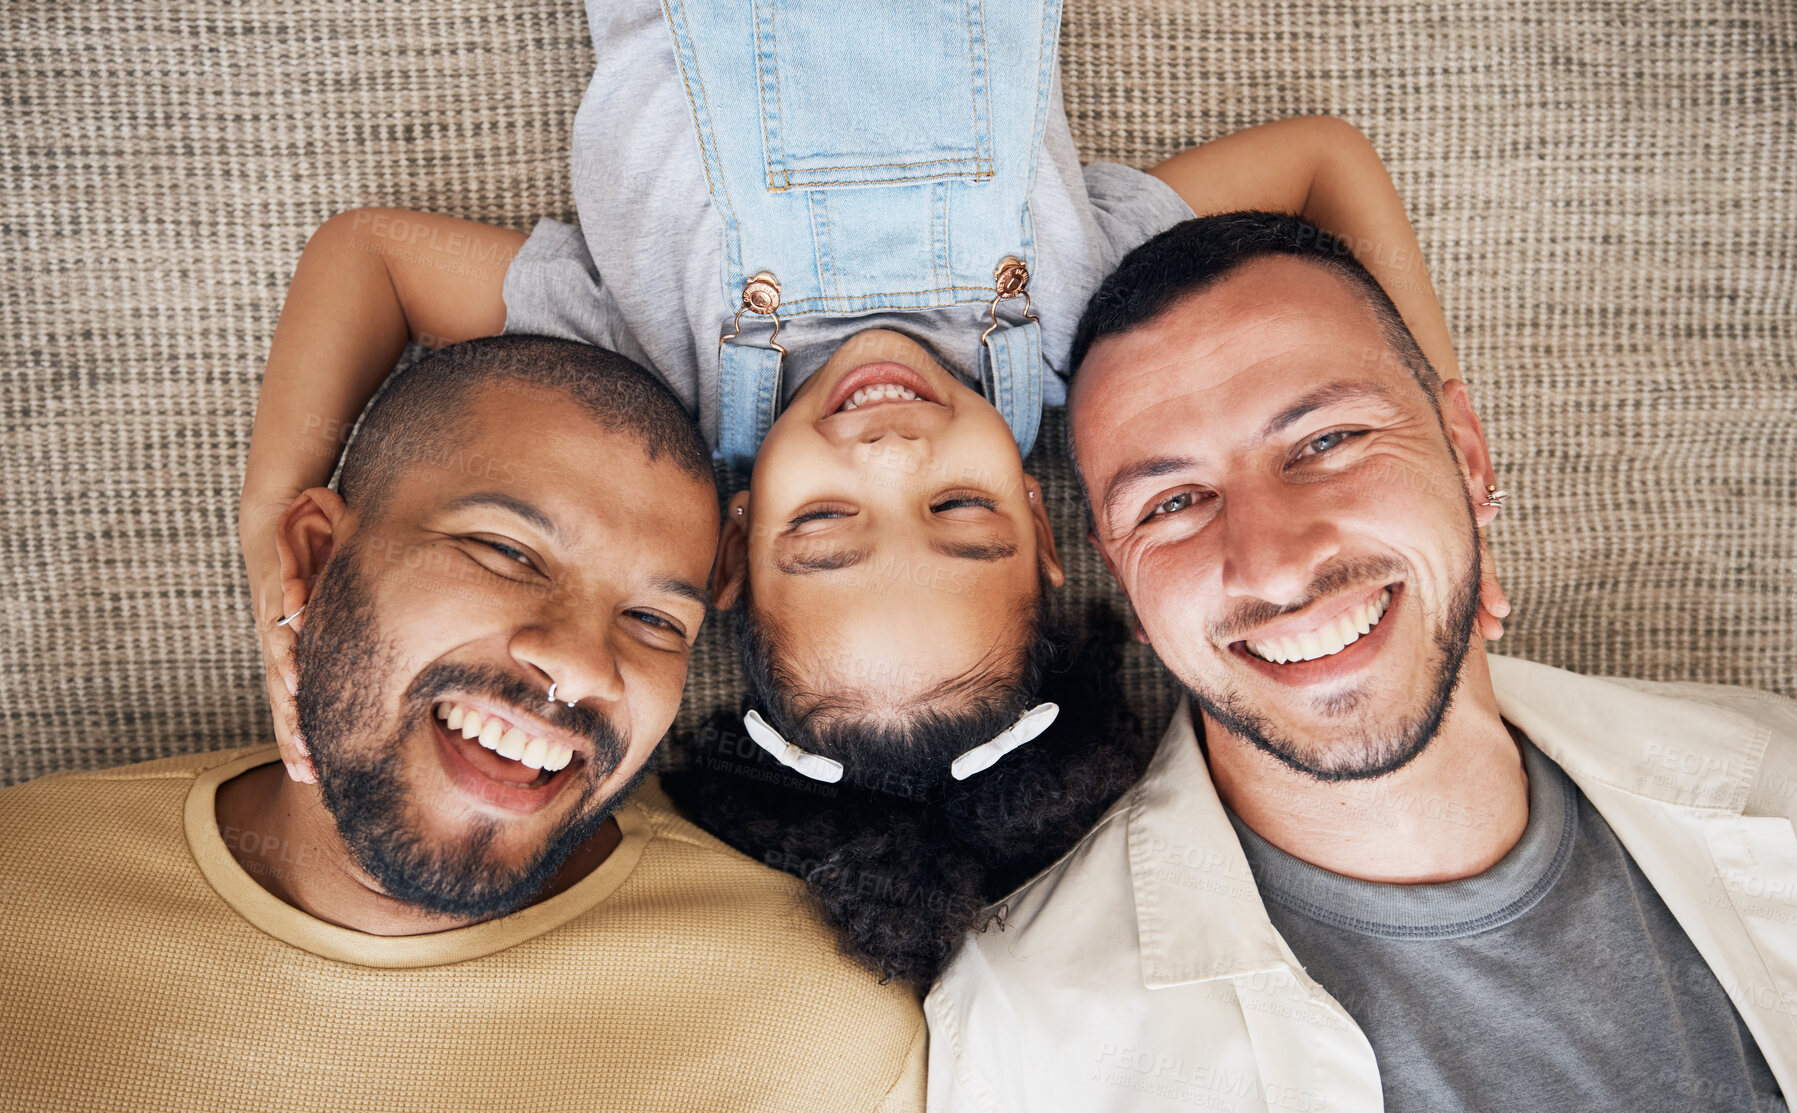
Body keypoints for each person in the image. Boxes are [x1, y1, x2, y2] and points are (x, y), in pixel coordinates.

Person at [239, 0, 1470, 985]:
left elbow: (375, 261)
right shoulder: (1076, 334)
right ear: (1045, 524)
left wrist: (277, 541)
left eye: (821, 526)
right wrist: (1442, 447)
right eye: (961, 514)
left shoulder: (643, 382)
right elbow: (1319, 163)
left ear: (729, 550)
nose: (889, 454)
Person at [923, 211, 1797, 1110]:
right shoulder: (1026, 1041)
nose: (1273, 563)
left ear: (1465, 454)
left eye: (1326, 442)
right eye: (1173, 502)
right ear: (1124, 586)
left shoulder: (1778, 770)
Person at [0, 336, 927, 1112]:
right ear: (315, 559)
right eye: (504, 550)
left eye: (654, 621)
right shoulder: (20, 888)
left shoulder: (817, 1029)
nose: (579, 664)